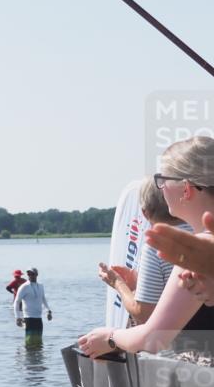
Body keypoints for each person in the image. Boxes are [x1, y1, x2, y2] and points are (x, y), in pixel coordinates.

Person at [79, 137, 214, 358]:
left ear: (186, 189)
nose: (160, 188)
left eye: (162, 179)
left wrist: (111, 337)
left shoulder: (194, 252)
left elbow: (154, 338)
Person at [97, 176, 190, 325]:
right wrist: (137, 281)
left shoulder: (156, 246)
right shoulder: (202, 234)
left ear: (145, 213)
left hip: (180, 343)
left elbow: (144, 314)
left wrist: (118, 284)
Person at [14, 268, 52, 348]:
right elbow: (17, 302)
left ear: (36, 275)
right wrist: (17, 317)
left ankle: (38, 358)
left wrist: (48, 310)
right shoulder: (24, 287)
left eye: (32, 274)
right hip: (28, 318)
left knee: (38, 341)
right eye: (29, 274)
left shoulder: (41, 286)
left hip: (38, 317)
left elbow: (43, 299)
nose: (30, 276)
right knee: (29, 341)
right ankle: (29, 358)